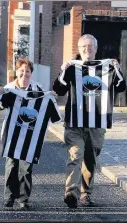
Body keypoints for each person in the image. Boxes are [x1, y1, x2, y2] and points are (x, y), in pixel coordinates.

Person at [53, 34, 126, 208]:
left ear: (95, 48)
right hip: (74, 123)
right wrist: (63, 70)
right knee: (75, 156)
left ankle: (86, 194)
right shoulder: (72, 68)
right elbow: (58, 90)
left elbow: (122, 87)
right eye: (84, 46)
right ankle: (71, 192)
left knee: (90, 160)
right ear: (79, 49)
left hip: (97, 124)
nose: (87, 49)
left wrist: (117, 69)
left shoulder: (106, 67)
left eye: (90, 46)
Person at [0, 58, 61, 211]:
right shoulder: (10, 88)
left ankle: (23, 199)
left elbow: (54, 116)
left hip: (30, 137)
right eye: (22, 71)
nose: (24, 74)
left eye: (28, 71)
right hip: (12, 134)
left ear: (31, 73)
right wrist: (1, 95)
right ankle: (9, 197)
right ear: (16, 72)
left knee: (25, 168)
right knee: (11, 165)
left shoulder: (39, 90)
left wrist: (51, 97)